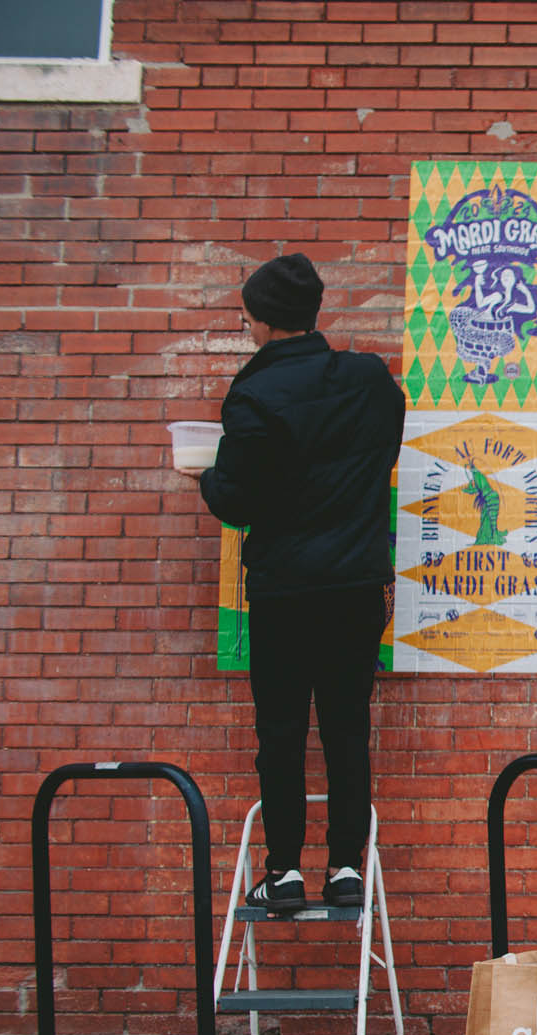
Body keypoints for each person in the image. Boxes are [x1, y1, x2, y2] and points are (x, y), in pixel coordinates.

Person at [182, 253, 405, 913]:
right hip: (355, 591)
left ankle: (282, 868)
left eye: (247, 317)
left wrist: (206, 477)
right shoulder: (369, 380)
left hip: (283, 592)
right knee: (345, 728)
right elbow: (381, 448)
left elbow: (239, 501)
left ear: (265, 322)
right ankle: (344, 867)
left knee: (280, 730)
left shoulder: (254, 395)